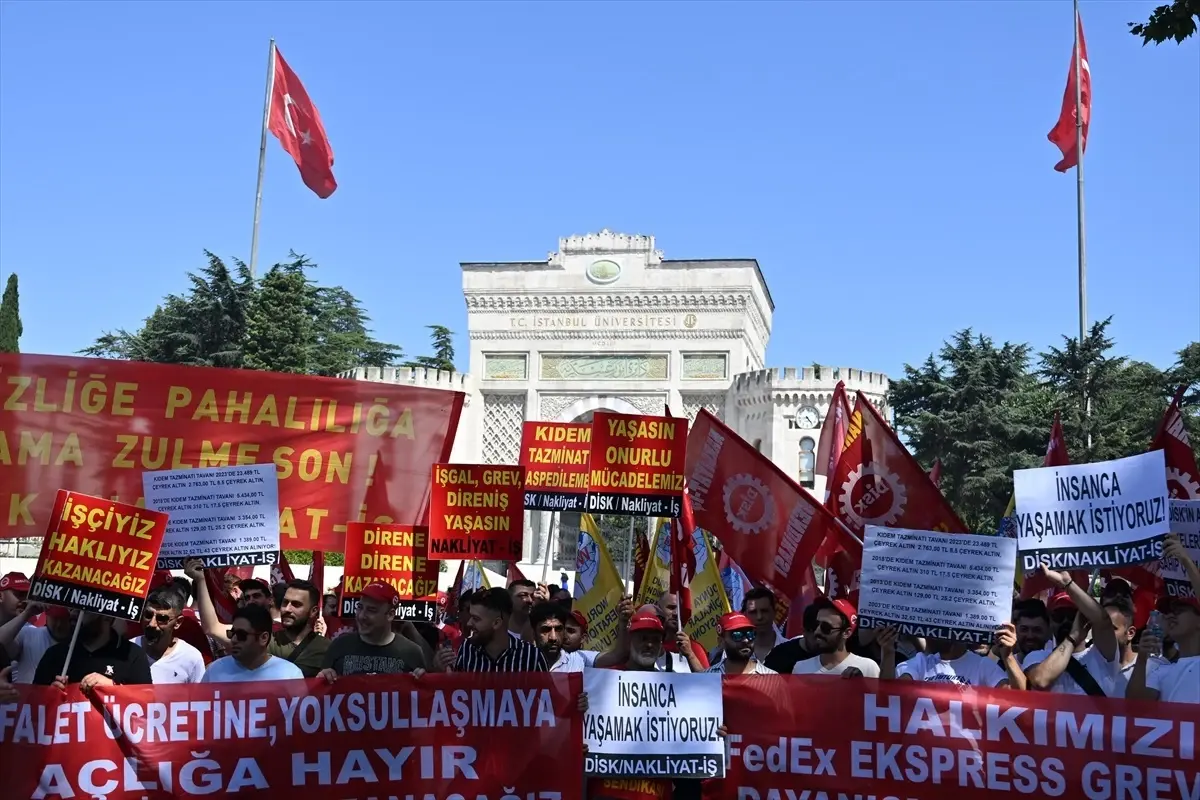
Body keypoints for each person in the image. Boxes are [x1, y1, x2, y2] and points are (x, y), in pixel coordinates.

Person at [188, 561, 329, 677]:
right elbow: (212, 628)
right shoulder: (262, 637)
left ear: (313, 611)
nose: (287, 609)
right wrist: (201, 580)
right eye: (285, 602)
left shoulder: (327, 648)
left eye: (296, 605)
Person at [1024, 567, 1135, 696]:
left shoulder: (1101, 655)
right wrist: (1073, 637)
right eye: (1059, 616)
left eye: (1071, 616)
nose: (1065, 621)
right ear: (1050, 622)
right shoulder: (1037, 657)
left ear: (1084, 619)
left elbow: (1103, 620)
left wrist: (1068, 584)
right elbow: (1040, 681)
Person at [1128, 534, 1200, 703]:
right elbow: (1134, 705)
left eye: (1180, 608)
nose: (1171, 614)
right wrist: (1142, 658)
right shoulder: (1160, 671)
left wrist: (1185, 560)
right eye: (1168, 610)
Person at [319, 581, 428, 678]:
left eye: (371, 610)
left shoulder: (412, 652)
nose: (362, 616)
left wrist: (421, 681)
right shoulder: (339, 646)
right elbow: (321, 690)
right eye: (360, 607)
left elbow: (423, 692)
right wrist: (323, 677)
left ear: (390, 615)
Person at [34, 611, 153, 690]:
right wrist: (49, 695)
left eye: (84, 610)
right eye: (73, 608)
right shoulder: (54, 655)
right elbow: (32, 706)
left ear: (107, 616)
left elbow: (147, 705)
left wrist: (114, 688)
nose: (74, 613)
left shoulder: (132, 655)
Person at [441, 587, 546, 672]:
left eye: (476, 619)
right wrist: (439, 670)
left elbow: (547, 691)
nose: (469, 623)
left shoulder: (531, 656)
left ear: (496, 623)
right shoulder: (467, 648)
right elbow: (458, 688)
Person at [202, 604, 303, 682]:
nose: (234, 639)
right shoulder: (214, 671)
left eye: (241, 634)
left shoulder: (290, 675)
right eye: (232, 633)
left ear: (263, 638)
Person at [790, 598, 880, 678]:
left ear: (846, 633)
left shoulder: (868, 668)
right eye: (816, 625)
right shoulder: (800, 668)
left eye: (826, 627)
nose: (817, 631)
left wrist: (859, 684)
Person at [133, 589, 205, 684]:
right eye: (148, 615)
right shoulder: (127, 650)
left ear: (178, 622)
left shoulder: (191, 658)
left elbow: (200, 693)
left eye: (162, 618)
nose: (152, 624)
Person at [0, 601, 73, 684]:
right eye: (55, 619)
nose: (58, 625)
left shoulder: (77, 646)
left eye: (63, 619)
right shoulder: (28, 634)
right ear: (47, 616)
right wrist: (27, 614)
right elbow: (2, 642)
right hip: (24, 691)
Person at [706, 612, 775, 675]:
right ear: (721, 642)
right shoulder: (707, 677)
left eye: (750, 634)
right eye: (737, 635)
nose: (746, 640)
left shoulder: (772, 678)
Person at [531, 601, 588, 672]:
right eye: (545, 630)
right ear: (534, 634)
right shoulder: (522, 663)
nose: (553, 637)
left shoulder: (578, 661)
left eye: (558, 629)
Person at [658, 592, 708, 671]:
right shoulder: (651, 645)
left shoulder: (694, 648)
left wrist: (690, 655)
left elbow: (706, 678)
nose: (676, 613)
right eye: (671, 608)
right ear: (659, 609)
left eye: (679, 609)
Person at [1012, 599, 1052, 664]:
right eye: (1024, 629)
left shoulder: (1059, 665)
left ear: (1048, 632)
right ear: (1016, 630)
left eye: (1037, 630)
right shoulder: (1003, 667)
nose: (1030, 636)